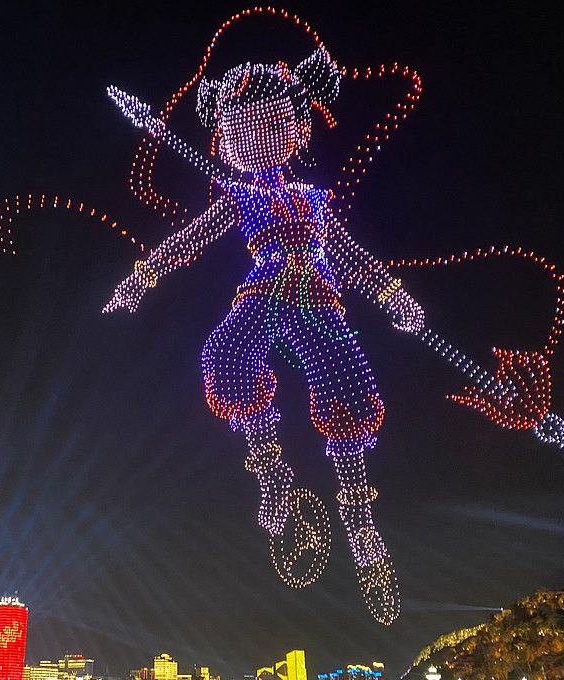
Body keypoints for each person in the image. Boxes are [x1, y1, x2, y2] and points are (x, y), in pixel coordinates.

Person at [102, 47, 422, 625]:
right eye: (241, 127)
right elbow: (189, 240)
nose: (257, 135)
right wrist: (139, 276)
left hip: (319, 298)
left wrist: (392, 296)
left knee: (345, 392)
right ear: (225, 141)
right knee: (224, 357)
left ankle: (364, 535)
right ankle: (273, 477)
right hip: (267, 286)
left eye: (272, 121)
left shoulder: (314, 202)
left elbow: (350, 258)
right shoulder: (241, 198)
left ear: (298, 129)